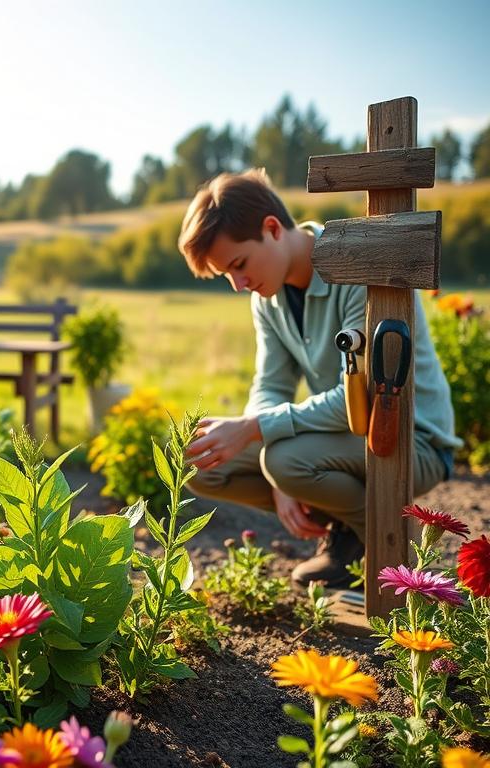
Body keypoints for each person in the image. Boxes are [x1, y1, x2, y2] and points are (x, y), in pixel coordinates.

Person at [176, 168, 460, 588]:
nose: (239, 284)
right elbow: (271, 384)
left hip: (410, 438)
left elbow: (361, 393)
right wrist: (276, 476)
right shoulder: (267, 298)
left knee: (284, 461)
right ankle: (348, 532)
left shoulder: (353, 266)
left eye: (239, 264)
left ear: (272, 229)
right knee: (200, 459)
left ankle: (393, 542)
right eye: (227, 276)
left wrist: (258, 432)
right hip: (343, 437)